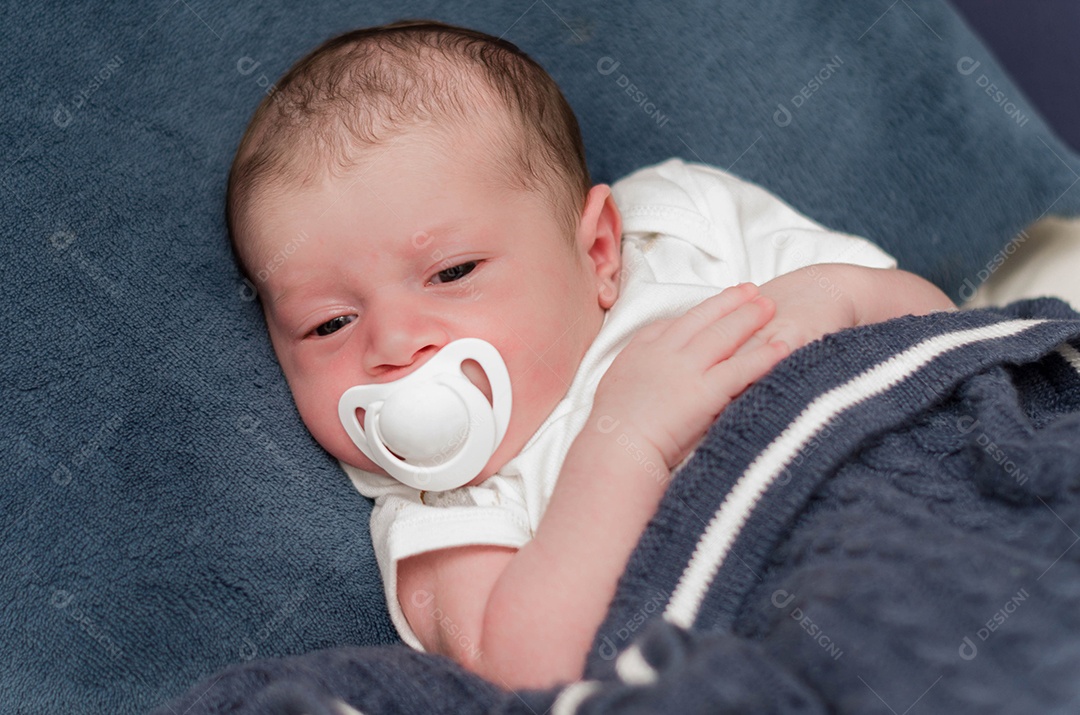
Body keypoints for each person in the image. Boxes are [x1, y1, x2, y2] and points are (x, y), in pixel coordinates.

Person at [224, 19, 955, 690]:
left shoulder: (682, 232)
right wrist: (625, 441)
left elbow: (939, 328)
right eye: (330, 323)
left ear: (600, 249)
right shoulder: (444, 510)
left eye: (452, 274)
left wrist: (824, 301)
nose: (392, 342)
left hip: (920, 507)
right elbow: (532, 671)